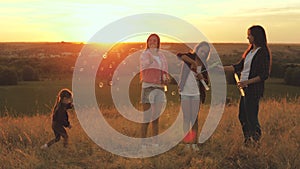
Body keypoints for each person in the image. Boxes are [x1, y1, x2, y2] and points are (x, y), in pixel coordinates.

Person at [222, 25, 271, 146]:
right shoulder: (250, 52)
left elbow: (264, 75)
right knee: (242, 116)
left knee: (251, 118)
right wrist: (220, 68)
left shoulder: (262, 52)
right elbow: (238, 67)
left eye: (249, 35)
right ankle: (248, 141)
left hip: (253, 90)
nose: (247, 37)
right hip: (245, 90)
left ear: (256, 36)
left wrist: (247, 82)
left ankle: (255, 142)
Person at [177, 41, 210, 151]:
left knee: (194, 119)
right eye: (201, 50)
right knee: (186, 119)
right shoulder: (190, 57)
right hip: (185, 92)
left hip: (196, 94)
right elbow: (179, 55)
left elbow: (207, 82)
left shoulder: (204, 65)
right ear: (197, 49)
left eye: (205, 52)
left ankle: (194, 143)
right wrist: (193, 63)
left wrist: (202, 78)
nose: (203, 53)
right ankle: (187, 143)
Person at [140, 33, 169, 147]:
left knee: (156, 117)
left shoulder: (161, 55)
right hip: (148, 86)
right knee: (146, 117)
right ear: (147, 42)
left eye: (155, 41)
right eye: (150, 40)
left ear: (158, 43)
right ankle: (143, 143)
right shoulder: (144, 54)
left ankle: (155, 143)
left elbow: (165, 70)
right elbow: (144, 66)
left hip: (160, 87)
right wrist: (151, 59)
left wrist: (166, 78)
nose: (152, 42)